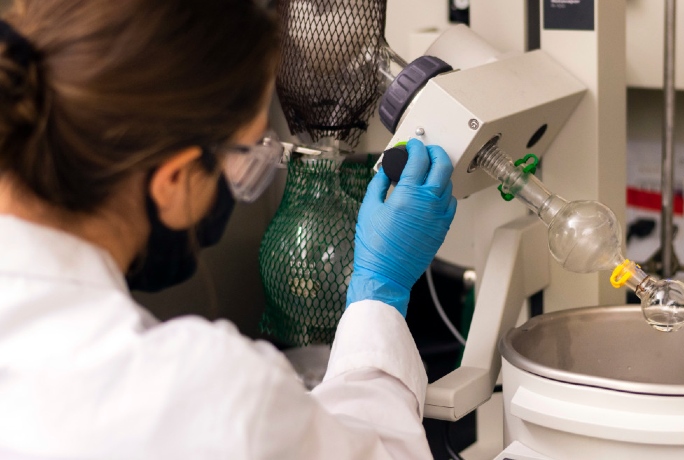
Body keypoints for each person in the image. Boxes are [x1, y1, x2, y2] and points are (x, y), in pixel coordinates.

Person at [0, 0, 456, 459]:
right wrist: (380, 291)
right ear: (175, 179)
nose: (245, 172)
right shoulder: (199, 394)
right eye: (247, 149)